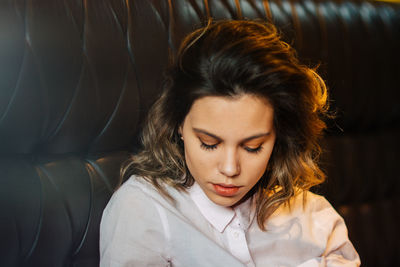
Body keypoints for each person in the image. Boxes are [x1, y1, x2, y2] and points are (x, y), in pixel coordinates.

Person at [100, 19, 360, 266]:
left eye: (252, 147)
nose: (229, 169)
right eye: (208, 143)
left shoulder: (318, 220)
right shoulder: (143, 210)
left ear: (278, 136)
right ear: (178, 124)